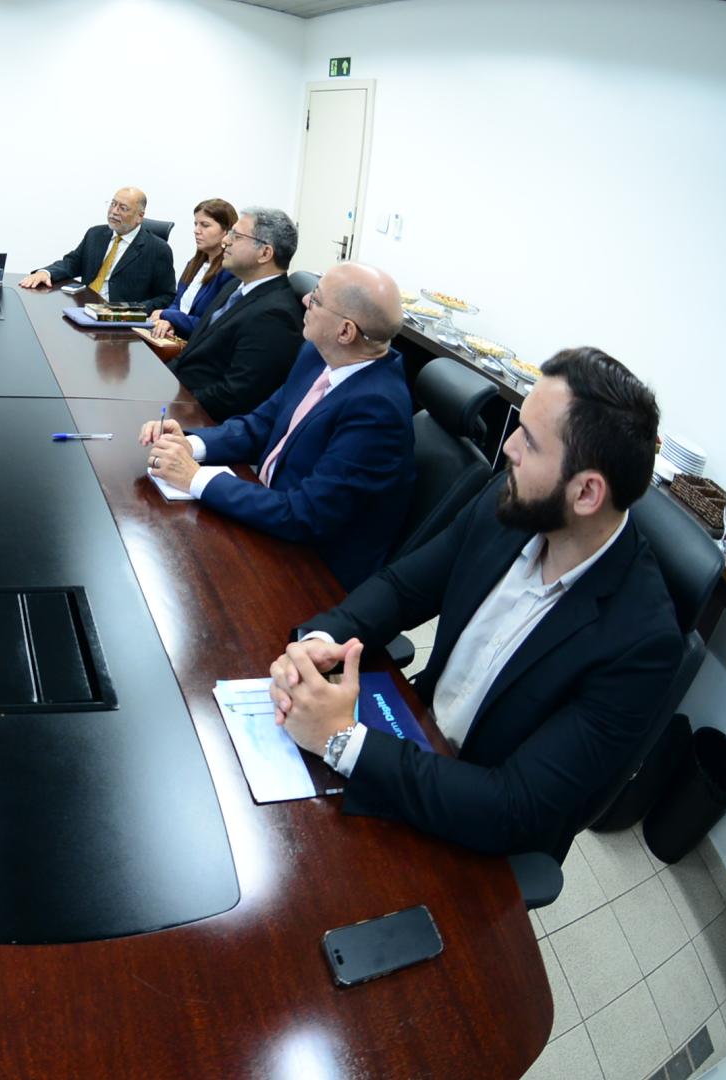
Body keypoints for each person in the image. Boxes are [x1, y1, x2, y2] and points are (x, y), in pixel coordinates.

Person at [270, 348, 684, 859]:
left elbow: (514, 806)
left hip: (475, 830)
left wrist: (342, 740)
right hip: (410, 737)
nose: (509, 447)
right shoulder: (509, 503)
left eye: (529, 441)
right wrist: (322, 640)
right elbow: (403, 588)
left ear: (585, 494)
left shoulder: (642, 644)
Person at [141, 262, 413, 589]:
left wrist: (194, 477)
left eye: (316, 299)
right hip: (270, 517)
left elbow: (305, 514)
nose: (304, 300)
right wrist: (192, 444)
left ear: (345, 332)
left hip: (309, 570)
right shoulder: (317, 354)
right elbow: (262, 424)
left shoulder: (377, 410)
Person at [163, 207, 306, 421]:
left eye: (236, 236)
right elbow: (192, 352)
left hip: (199, 416)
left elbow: (236, 394)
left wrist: (176, 404)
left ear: (265, 253)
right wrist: (161, 380)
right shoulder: (234, 286)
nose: (225, 241)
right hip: (178, 393)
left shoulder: (275, 315)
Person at [18, 186, 175, 308]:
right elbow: (71, 263)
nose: (114, 211)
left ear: (140, 216)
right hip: (84, 308)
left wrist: (131, 310)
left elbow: (166, 296)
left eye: (123, 208)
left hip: (118, 322)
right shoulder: (95, 234)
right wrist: (45, 272)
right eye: (113, 204)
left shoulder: (157, 249)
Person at [147, 198, 238, 340]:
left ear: (226, 231)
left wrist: (168, 315)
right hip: (176, 337)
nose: (196, 231)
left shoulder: (229, 272)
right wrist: (167, 321)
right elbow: (177, 303)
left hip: (197, 344)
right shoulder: (194, 264)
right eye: (196, 224)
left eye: (205, 225)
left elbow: (209, 324)